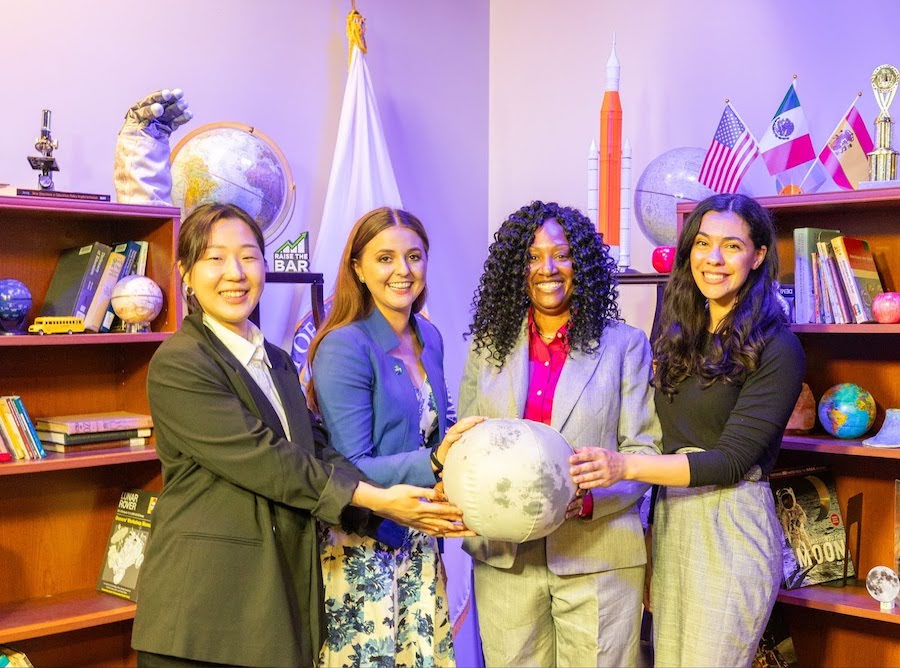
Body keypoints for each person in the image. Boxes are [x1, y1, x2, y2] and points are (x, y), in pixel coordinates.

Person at [132, 203, 470, 668]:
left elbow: (319, 449)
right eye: (215, 258)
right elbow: (271, 461)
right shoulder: (180, 362)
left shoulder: (274, 358)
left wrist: (401, 509)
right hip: (202, 613)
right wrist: (380, 500)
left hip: (272, 600)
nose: (235, 272)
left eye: (249, 257)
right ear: (186, 273)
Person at [570, 193, 806, 667]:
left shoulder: (779, 348)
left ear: (758, 256)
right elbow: (666, 438)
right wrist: (653, 538)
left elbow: (730, 460)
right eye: (702, 243)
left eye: (732, 246)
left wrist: (622, 466)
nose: (713, 259)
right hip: (673, 521)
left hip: (731, 524)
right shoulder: (682, 336)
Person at [458, 200, 661, 668]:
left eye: (562, 254)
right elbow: (466, 444)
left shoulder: (624, 346)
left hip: (598, 556)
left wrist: (590, 499)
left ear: (582, 263)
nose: (547, 268)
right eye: (531, 257)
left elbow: (645, 452)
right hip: (506, 559)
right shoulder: (487, 348)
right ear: (515, 268)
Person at [305, 206, 481, 668]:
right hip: (365, 544)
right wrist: (437, 462)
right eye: (385, 258)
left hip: (420, 537)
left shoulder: (431, 337)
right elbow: (349, 466)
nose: (403, 271)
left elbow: (433, 431)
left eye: (414, 256)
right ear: (358, 269)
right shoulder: (345, 345)